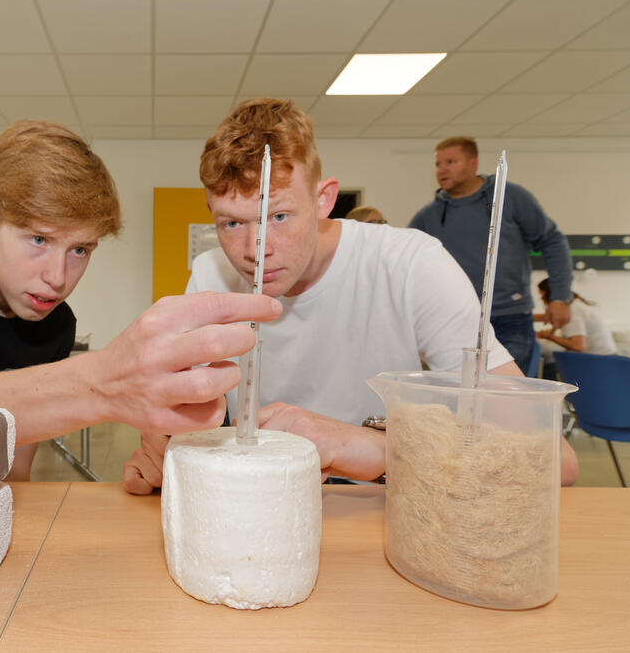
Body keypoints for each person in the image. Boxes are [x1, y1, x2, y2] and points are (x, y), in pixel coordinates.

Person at [123, 99, 578, 493]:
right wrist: (163, 448)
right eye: (231, 223)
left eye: (278, 216)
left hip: (393, 503)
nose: (254, 251)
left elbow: (553, 459)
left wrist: (372, 449)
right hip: (265, 505)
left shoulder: (411, 264)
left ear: (324, 199)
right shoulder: (210, 274)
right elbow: (176, 416)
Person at [0, 120, 282, 480]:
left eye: (80, 249)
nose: (58, 278)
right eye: (38, 239)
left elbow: (13, 469)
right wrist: (105, 382)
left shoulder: (54, 324)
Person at [409, 137, 573, 373]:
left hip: (510, 317)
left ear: (473, 163)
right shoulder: (428, 216)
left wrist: (560, 296)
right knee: (461, 397)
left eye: (450, 161)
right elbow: (408, 264)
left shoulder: (510, 197)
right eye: (438, 164)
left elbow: (552, 241)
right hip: (456, 319)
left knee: (508, 395)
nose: (442, 169)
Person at [535, 278, 617, 380]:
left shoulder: (573, 311)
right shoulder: (576, 306)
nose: (541, 298)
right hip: (605, 359)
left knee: (547, 365)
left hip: (598, 362)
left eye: (541, 294)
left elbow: (578, 346)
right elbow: (547, 317)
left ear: (549, 294)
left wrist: (550, 336)